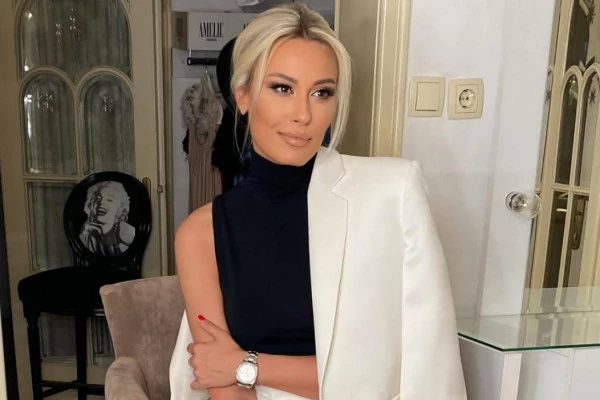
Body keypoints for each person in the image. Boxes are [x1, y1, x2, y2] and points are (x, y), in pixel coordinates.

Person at [170, 4, 467, 400]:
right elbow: (216, 376)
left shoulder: (391, 193)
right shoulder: (201, 233)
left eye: (321, 93)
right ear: (243, 95)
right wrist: (239, 371)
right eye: (282, 88)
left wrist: (247, 365)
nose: (303, 114)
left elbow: (420, 362)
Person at [79, 180, 135, 256]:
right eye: (98, 199)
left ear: (119, 208)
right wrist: (83, 236)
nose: (101, 202)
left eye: (109, 200)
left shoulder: (128, 233)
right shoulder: (86, 232)